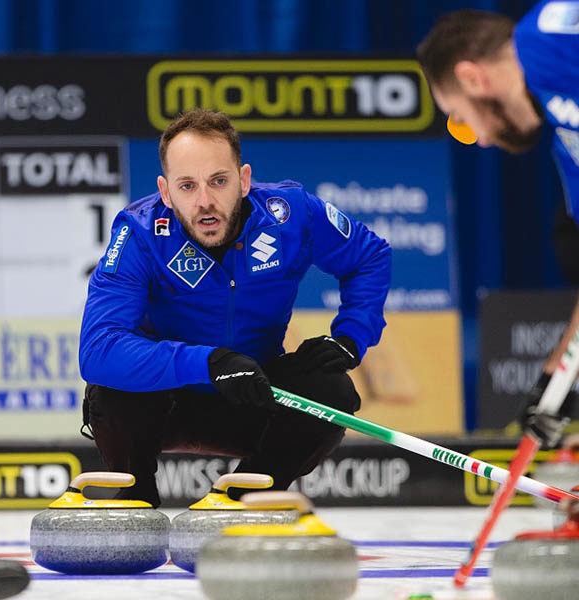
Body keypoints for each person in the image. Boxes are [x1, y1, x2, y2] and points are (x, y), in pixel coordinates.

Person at [78, 108, 391, 507]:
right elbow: (98, 349)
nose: (205, 202)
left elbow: (370, 257)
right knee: (111, 390)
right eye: (187, 186)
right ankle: (135, 497)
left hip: (252, 391)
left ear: (243, 180)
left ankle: (247, 497)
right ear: (165, 191)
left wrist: (351, 337)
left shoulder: (291, 215)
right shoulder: (139, 232)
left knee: (331, 391)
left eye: (218, 181)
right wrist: (208, 362)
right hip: (163, 401)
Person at [417, 0, 579, 448]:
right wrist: (557, 387)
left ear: (473, 77)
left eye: (465, 121)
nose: (483, 140)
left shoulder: (548, 38)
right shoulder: (569, 147)